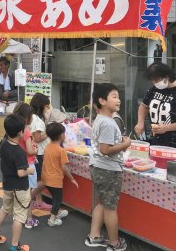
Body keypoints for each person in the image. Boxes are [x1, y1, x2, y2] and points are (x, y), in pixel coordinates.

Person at [86, 83, 131, 251]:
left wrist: (120, 142)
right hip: (108, 169)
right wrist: (126, 143)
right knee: (110, 208)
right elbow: (105, 150)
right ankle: (114, 243)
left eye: (118, 96)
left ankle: (94, 236)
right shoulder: (108, 123)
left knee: (102, 203)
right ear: (102, 101)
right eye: (114, 96)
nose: (118, 100)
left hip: (100, 167)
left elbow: (104, 147)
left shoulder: (102, 120)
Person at [0, 114, 33, 251]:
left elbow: (0, 155)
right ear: (21, 132)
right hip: (20, 188)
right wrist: (29, 170)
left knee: (5, 208)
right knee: (19, 216)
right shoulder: (19, 151)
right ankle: (15, 246)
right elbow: (20, 173)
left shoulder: (3, 143)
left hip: (7, 184)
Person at [42, 122, 78, 227]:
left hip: (46, 178)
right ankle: (52, 219)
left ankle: (56, 213)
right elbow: (64, 167)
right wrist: (72, 179)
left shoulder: (47, 147)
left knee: (54, 197)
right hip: (55, 180)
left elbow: (45, 162)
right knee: (58, 199)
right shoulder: (61, 150)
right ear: (62, 135)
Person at [135, 62, 176, 148]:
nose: (154, 83)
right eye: (152, 80)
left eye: (156, 80)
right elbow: (143, 106)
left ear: (167, 76)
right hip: (156, 141)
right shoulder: (154, 89)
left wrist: (167, 128)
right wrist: (140, 122)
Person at [13, 102, 39, 229]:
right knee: (28, 195)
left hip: (18, 163)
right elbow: (29, 150)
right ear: (26, 117)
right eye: (31, 115)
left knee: (21, 193)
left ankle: (20, 217)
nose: (33, 118)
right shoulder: (27, 131)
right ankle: (29, 219)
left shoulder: (15, 130)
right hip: (28, 164)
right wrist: (36, 150)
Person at [28, 92, 52, 211]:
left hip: (35, 153)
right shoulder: (37, 120)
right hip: (40, 153)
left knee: (37, 179)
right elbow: (37, 138)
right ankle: (29, 199)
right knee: (45, 179)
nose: (48, 109)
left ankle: (38, 201)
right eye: (47, 106)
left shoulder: (32, 117)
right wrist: (49, 131)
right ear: (42, 106)